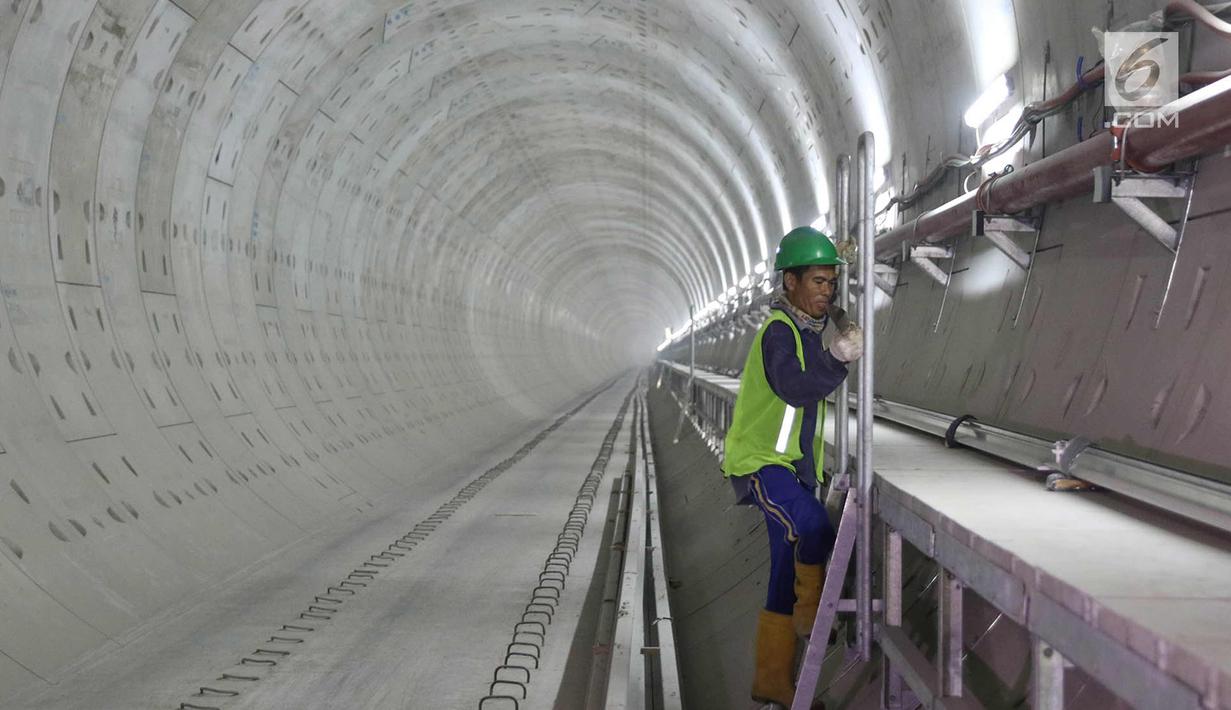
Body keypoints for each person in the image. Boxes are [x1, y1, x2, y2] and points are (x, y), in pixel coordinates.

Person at [722, 227, 864, 707]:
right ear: (790, 282)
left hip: (793, 469)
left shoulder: (804, 330)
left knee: (785, 565)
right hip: (762, 463)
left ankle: (773, 683)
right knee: (811, 526)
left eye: (831, 283)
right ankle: (809, 613)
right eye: (817, 282)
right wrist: (837, 358)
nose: (826, 291)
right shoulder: (780, 333)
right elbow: (795, 389)